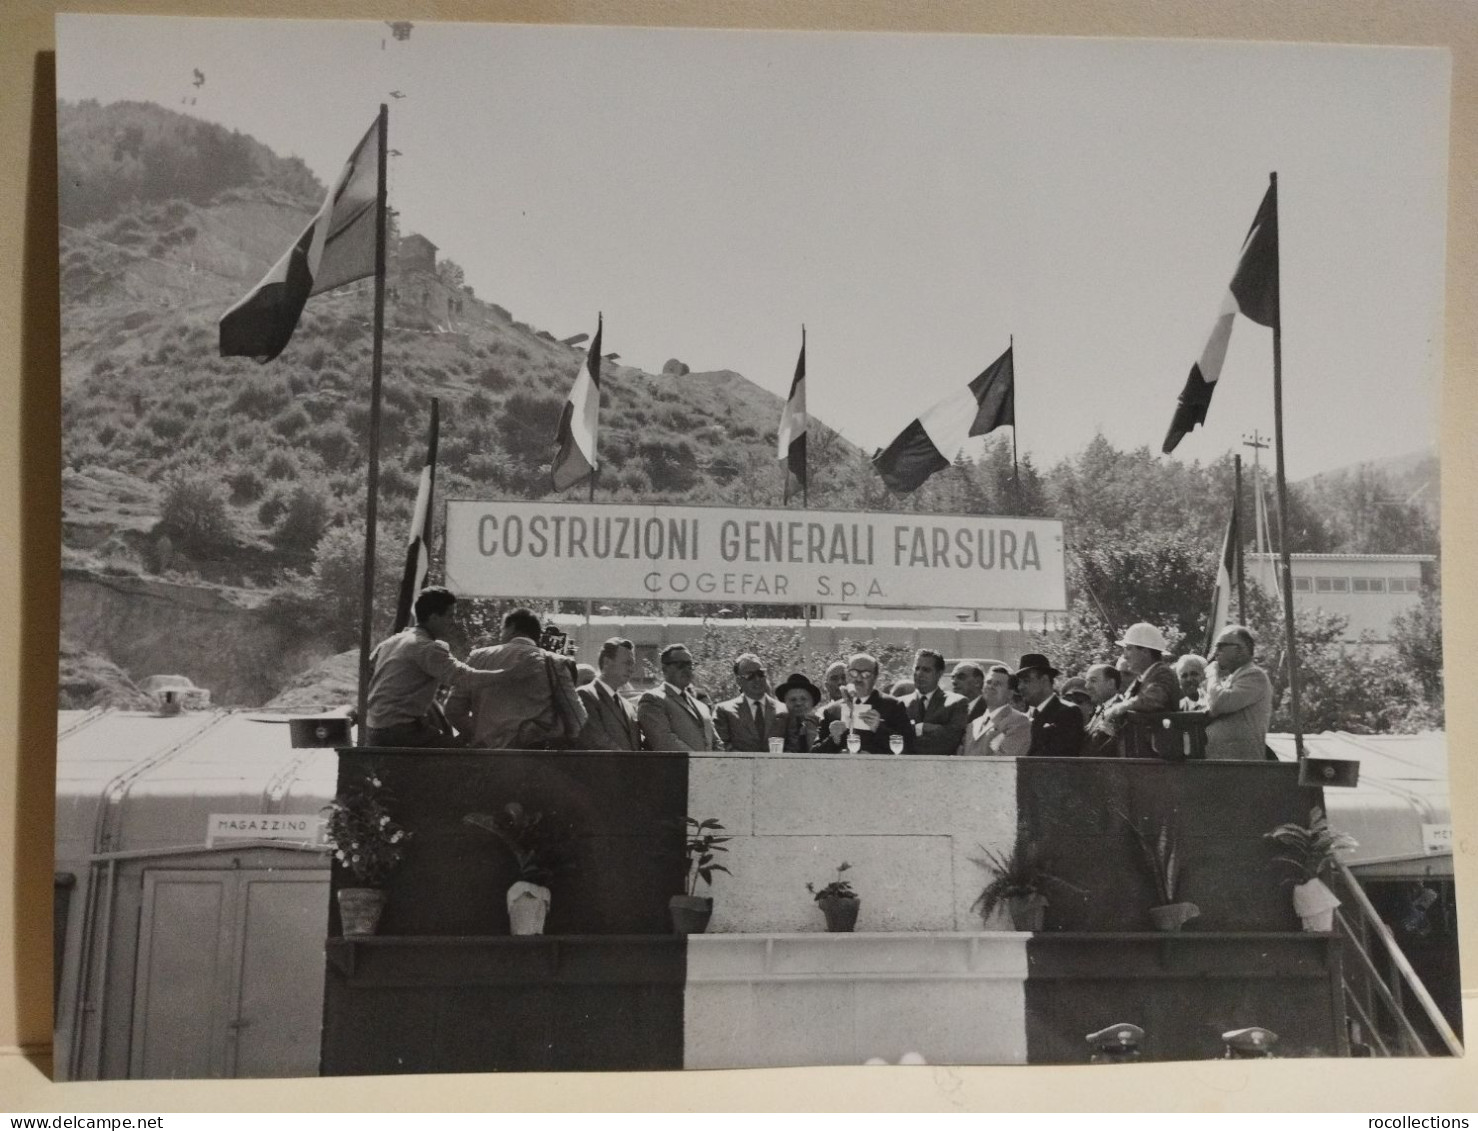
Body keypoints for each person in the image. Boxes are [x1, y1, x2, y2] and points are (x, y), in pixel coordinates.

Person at [363, 586, 505, 747]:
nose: (453, 622)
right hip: (400, 732)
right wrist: (508, 674)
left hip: (374, 730)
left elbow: (368, 673)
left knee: (448, 736)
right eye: (450, 616)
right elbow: (464, 677)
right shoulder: (427, 647)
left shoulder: (391, 642)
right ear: (433, 617)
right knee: (470, 751)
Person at [445, 607, 575, 749]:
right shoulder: (553, 663)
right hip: (534, 759)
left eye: (502, 630)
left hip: (486, 757)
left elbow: (453, 710)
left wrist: (479, 734)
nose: (501, 635)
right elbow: (576, 719)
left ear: (511, 628)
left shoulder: (477, 657)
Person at [1102, 623, 1181, 758]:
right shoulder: (1145, 676)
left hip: (1157, 758)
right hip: (1143, 756)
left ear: (1145, 651)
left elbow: (1152, 700)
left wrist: (1117, 709)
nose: (1125, 656)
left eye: (1129, 648)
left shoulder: (1163, 673)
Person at [817, 652, 914, 753]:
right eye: (853, 673)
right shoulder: (832, 710)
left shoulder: (893, 706)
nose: (858, 678)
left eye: (866, 674)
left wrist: (879, 728)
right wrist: (833, 739)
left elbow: (910, 749)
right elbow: (813, 755)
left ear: (875, 677)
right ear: (847, 674)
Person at [1203, 625, 1274, 761]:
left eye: (1220, 646)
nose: (1216, 652)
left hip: (1242, 766)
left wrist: (1212, 674)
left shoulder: (1254, 676)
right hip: (1223, 763)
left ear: (1240, 649)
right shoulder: (1232, 679)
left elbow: (1218, 703)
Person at [638, 644, 721, 751]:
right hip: (676, 767)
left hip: (707, 767)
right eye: (680, 664)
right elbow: (664, 741)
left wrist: (718, 763)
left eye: (690, 665)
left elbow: (716, 742)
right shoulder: (653, 699)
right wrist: (698, 762)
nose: (687, 669)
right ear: (665, 669)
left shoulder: (701, 706)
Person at [573, 638, 642, 751]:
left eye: (633, 664)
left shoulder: (628, 706)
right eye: (627, 663)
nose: (632, 670)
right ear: (606, 663)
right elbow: (596, 741)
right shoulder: (585, 696)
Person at [898, 649, 969, 755]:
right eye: (917, 668)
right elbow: (894, 741)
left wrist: (916, 730)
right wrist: (934, 729)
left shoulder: (956, 703)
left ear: (939, 673)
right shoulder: (900, 704)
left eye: (926, 670)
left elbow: (951, 742)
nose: (919, 674)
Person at [1015, 653, 1085, 757]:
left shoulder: (1067, 713)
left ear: (1044, 680)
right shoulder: (1032, 715)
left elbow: (1060, 758)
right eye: (1019, 682)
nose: (1020, 687)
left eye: (1026, 681)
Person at [713, 653, 787, 751]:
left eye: (760, 674)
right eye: (750, 675)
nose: (757, 679)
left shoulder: (785, 711)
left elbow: (793, 746)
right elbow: (722, 747)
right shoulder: (724, 711)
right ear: (739, 681)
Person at [959, 663, 1031, 757]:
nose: (991, 686)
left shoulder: (1019, 722)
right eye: (988, 682)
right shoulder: (972, 725)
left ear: (1010, 693)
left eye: (998, 684)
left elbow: (1004, 762)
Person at [773, 672, 824, 752]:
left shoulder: (822, 724)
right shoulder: (777, 723)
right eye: (793, 700)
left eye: (803, 699)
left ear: (812, 702)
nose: (798, 703)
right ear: (785, 702)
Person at [1081, 662, 1124, 757]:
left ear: (1111, 684)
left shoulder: (1119, 711)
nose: (1087, 686)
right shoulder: (1099, 710)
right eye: (1087, 681)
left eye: (1093, 680)